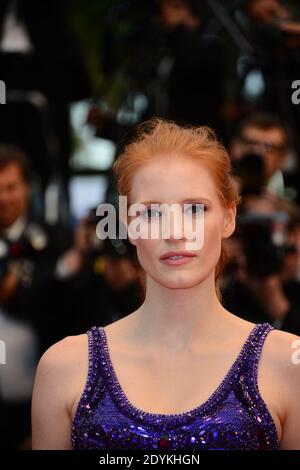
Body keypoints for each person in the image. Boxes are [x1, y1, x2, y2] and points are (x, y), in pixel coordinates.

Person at [31, 118, 300, 450]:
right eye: (152, 213)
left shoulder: (288, 363)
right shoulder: (64, 368)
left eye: (195, 209)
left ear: (229, 217)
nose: (174, 232)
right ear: (129, 225)